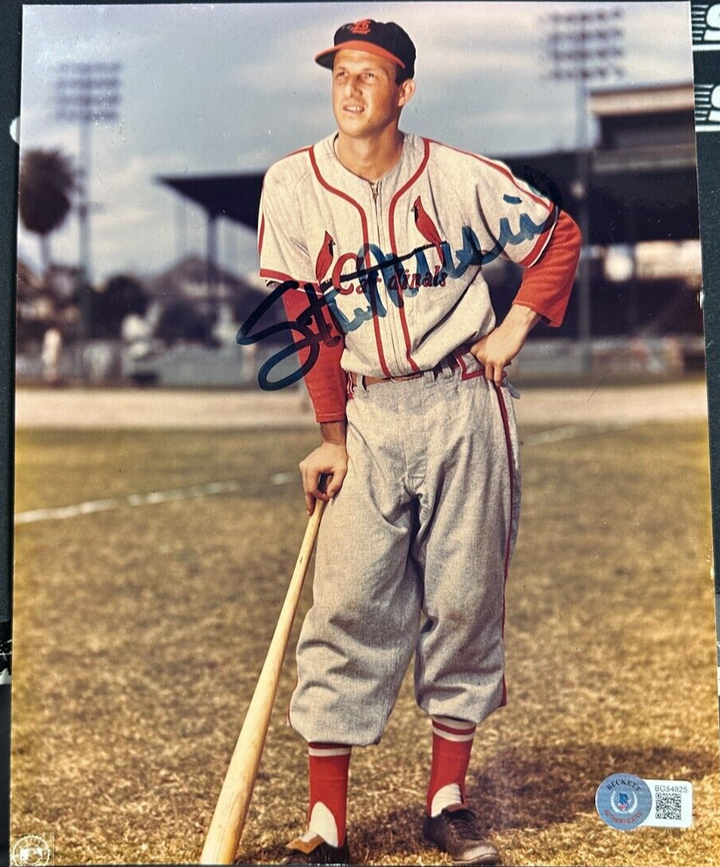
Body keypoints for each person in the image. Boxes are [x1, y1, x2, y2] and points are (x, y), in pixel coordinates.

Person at [256, 19, 582, 865]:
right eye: (341, 72)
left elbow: (556, 237)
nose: (352, 86)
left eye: (373, 74)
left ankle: (447, 801)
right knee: (348, 602)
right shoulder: (292, 184)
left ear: (404, 90)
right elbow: (306, 322)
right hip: (369, 412)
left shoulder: (460, 176)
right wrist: (330, 434)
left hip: (466, 405)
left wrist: (512, 329)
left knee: (467, 598)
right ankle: (326, 822)